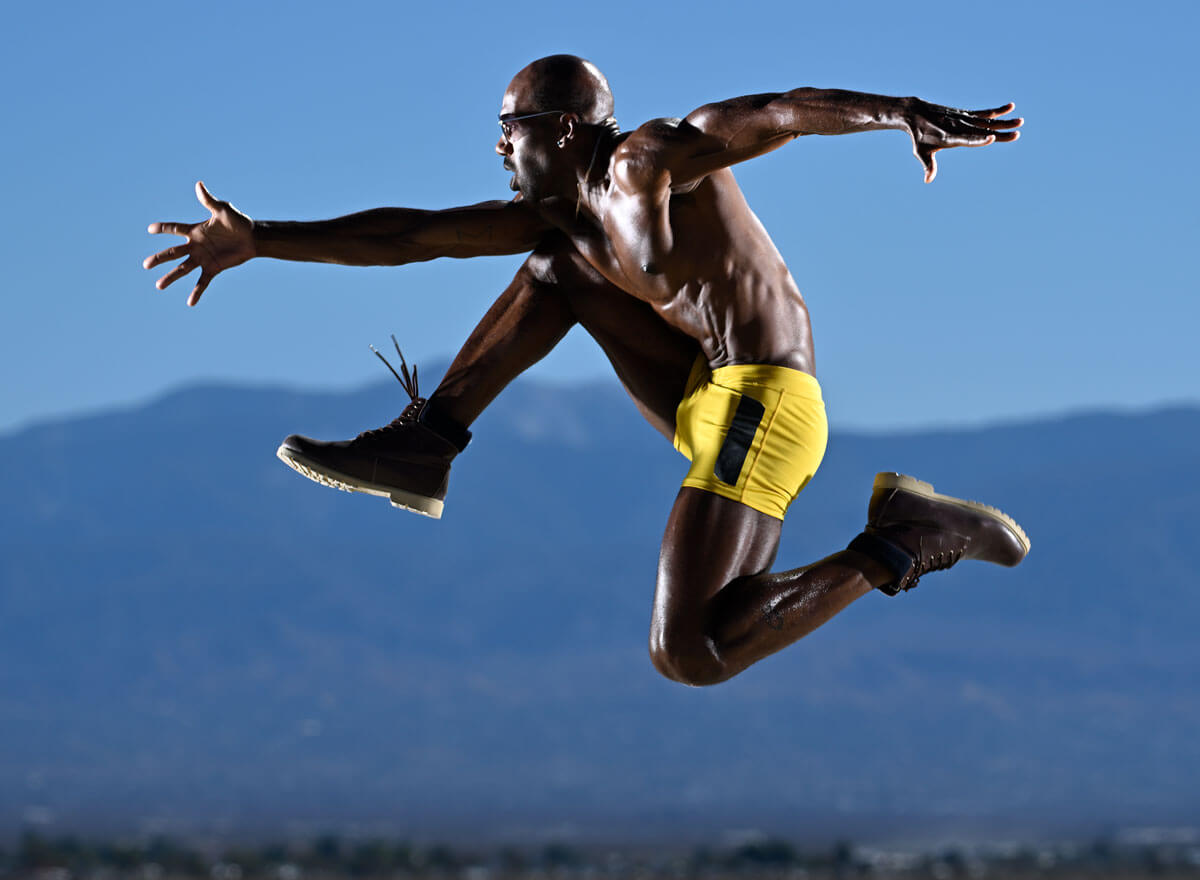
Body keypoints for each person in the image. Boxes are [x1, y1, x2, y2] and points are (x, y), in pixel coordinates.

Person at [145, 55, 1028, 687]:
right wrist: (261, 241)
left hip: (766, 401)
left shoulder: (650, 161)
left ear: (562, 129)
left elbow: (780, 110)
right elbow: (410, 237)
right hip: (705, 400)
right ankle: (428, 445)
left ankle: (906, 539)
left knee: (692, 653)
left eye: (508, 131)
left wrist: (898, 111)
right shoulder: (565, 220)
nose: (498, 151)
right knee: (554, 267)